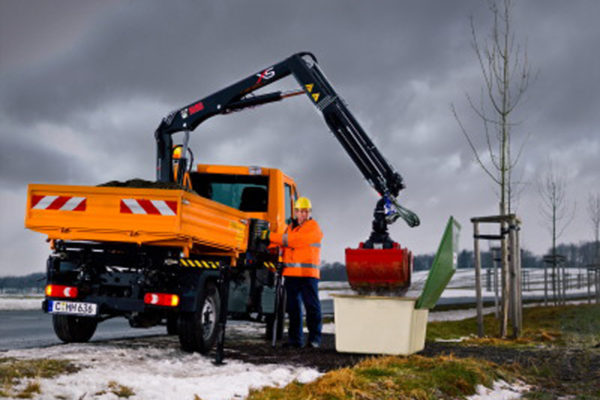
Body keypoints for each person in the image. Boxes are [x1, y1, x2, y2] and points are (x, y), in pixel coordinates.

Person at [264, 197, 323, 348]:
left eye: (306, 211)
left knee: (311, 307)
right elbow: (284, 245)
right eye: (300, 211)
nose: (303, 214)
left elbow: (293, 241)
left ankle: (315, 339)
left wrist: (269, 236)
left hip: (308, 274)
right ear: (295, 212)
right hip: (290, 274)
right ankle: (295, 340)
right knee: (293, 308)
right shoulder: (290, 227)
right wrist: (272, 250)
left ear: (309, 212)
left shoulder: (313, 227)